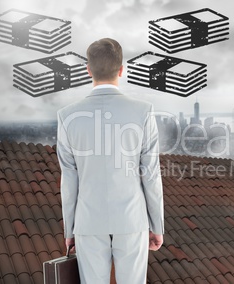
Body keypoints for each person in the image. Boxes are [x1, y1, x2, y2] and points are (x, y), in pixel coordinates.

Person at [56, 38, 164, 283]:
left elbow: (69, 180)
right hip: (132, 219)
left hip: (88, 221)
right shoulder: (143, 111)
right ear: (121, 69)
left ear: (88, 70)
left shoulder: (66, 116)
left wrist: (70, 229)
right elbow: (150, 174)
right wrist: (156, 225)